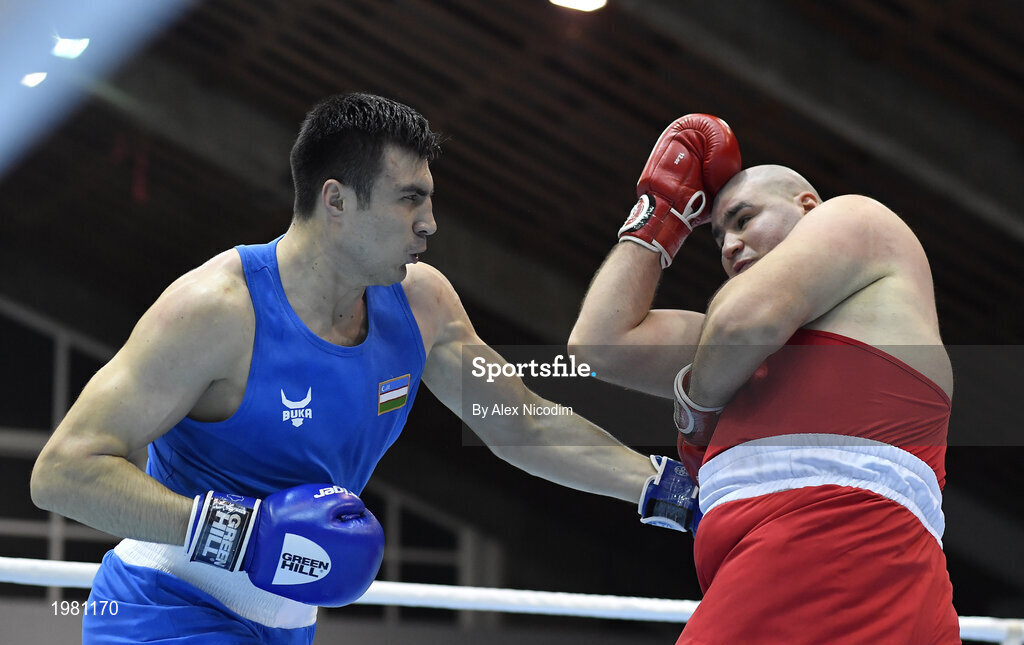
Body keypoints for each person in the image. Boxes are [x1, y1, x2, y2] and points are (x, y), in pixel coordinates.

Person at [29, 93, 699, 645]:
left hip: (287, 623)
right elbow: (62, 471)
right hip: (163, 609)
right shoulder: (217, 310)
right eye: (410, 199)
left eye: (430, 200)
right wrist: (242, 533)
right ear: (337, 200)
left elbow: (521, 422)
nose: (430, 223)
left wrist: (661, 486)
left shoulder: (422, 305)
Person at [569, 114, 960, 644]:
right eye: (717, 236)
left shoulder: (859, 218)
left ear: (807, 208)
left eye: (744, 218)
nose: (729, 244)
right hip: (802, 567)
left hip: (833, 552)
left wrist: (697, 409)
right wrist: (660, 215)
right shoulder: (738, 351)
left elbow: (742, 323)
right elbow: (599, 345)